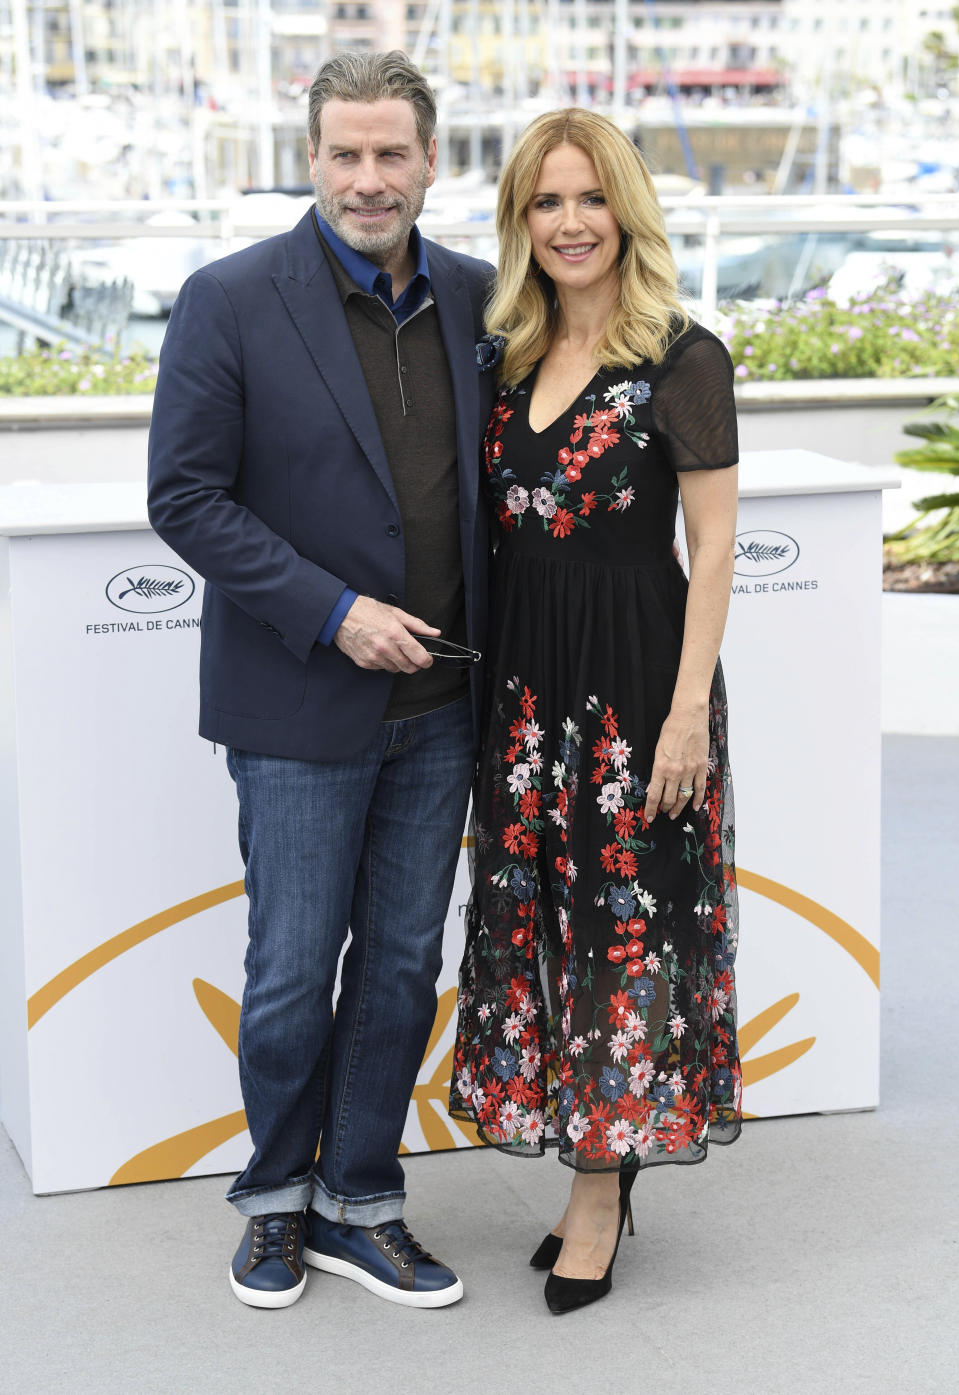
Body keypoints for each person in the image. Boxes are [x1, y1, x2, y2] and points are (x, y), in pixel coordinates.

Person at [148, 50, 495, 1310]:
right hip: (300, 702)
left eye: (391, 153)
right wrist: (335, 614)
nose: (368, 179)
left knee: (404, 965)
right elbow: (183, 496)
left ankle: (363, 1199)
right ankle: (273, 1202)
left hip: (443, 711)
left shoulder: (478, 299)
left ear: (430, 161)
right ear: (310, 159)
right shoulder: (228, 298)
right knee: (293, 966)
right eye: (344, 154)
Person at [449, 108, 742, 1314]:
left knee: (627, 932)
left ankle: (596, 1191)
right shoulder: (503, 356)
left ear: (625, 208)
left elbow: (715, 545)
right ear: (522, 219)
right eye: (545, 201)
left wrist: (685, 716)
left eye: (590, 198)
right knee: (544, 929)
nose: (571, 223)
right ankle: (597, 1158)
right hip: (525, 690)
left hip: (636, 690)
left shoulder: (682, 354)